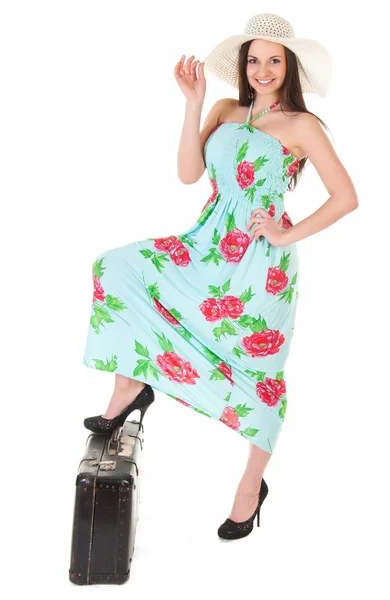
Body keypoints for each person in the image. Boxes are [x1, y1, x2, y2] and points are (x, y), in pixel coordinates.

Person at [80, 13, 358, 539]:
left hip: (259, 267)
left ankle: (251, 487)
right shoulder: (226, 109)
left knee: (258, 369)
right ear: (243, 65)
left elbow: (347, 198)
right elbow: (189, 173)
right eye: (254, 60)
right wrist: (192, 105)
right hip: (206, 244)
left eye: (274, 60)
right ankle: (130, 386)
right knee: (115, 266)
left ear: (289, 65)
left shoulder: (302, 126)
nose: (263, 69)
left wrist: (282, 234)